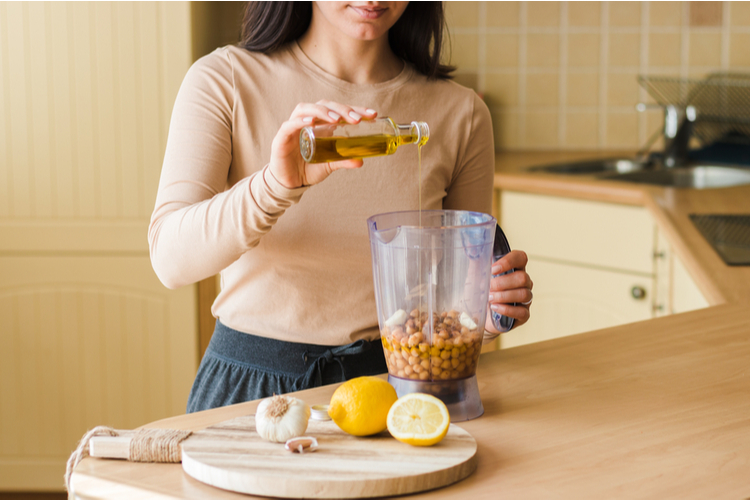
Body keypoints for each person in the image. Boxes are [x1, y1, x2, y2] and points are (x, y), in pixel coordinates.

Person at [148, 1, 534, 413]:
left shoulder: (461, 113)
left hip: (395, 391)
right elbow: (171, 260)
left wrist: (487, 313)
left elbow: (456, 293)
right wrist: (276, 185)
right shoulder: (225, 80)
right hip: (252, 391)